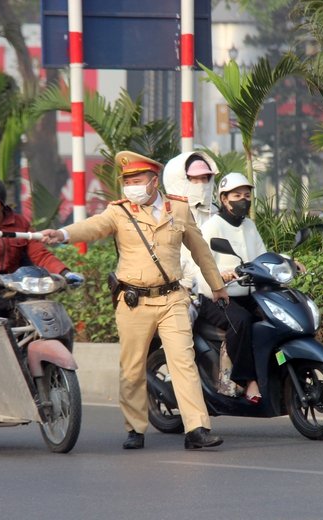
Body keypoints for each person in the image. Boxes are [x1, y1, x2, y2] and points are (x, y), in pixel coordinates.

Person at [40, 151, 230, 451]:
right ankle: (135, 429)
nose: (131, 187)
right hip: (134, 302)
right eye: (127, 182)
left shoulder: (178, 209)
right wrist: (63, 234)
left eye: (137, 180)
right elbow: (93, 226)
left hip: (172, 299)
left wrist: (217, 286)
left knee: (183, 362)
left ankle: (197, 429)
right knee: (132, 367)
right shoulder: (118, 212)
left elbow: (200, 250)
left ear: (154, 182)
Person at [0, 177, 83, 317]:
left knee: (42, 321)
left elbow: (40, 254)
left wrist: (65, 273)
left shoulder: (20, 223)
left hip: (17, 294)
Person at [194, 172, 268, 403]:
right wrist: (219, 275)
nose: (243, 200)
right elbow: (200, 264)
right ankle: (248, 380)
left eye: (247, 195)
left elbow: (262, 257)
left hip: (248, 295)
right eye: (237, 196)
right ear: (224, 199)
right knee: (241, 321)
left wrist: (288, 261)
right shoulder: (212, 226)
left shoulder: (249, 226)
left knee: (273, 316)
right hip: (217, 296)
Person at [162, 152, 218, 304]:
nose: (200, 183)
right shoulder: (166, 215)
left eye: (204, 178)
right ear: (180, 180)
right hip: (177, 288)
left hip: (213, 287)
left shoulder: (217, 213)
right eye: (194, 179)